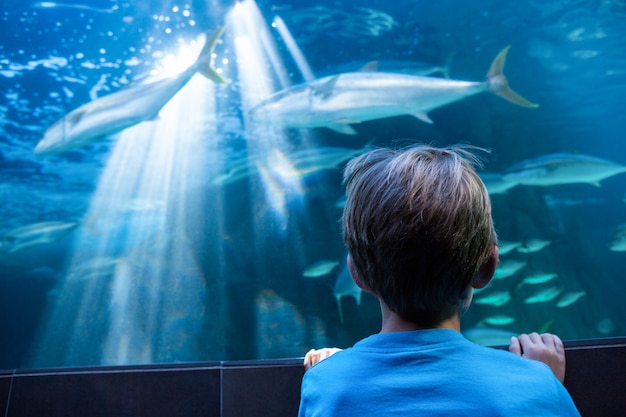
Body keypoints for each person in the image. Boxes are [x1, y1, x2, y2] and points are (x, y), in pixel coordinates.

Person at [298, 145, 580, 416]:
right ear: (488, 267)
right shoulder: (535, 387)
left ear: (355, 273)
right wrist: (544, 384)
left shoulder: (326, 385)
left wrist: (329, 374)